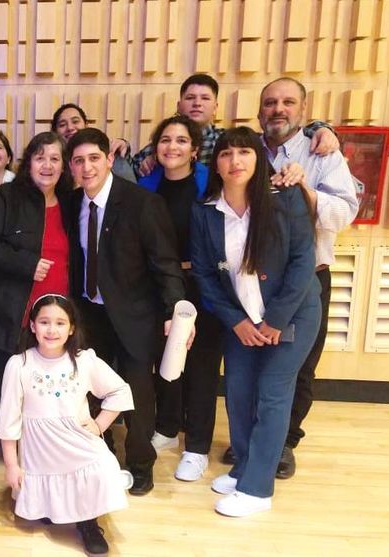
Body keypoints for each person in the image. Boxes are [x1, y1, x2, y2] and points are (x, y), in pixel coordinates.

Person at [190, 126, 321, 517]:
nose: (235, 161)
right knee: (239, 392)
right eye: (226, 153)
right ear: (216, 164)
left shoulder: (286, 198)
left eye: (244, 152)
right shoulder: (205, 210)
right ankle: (244, 467)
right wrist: (236, 322)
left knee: (271, 394)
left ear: (258, 159)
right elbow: (205, 275)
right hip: (241, 319)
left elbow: (303, 262)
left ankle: (258, 489)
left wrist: (275, 320)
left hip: (292, 314)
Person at [66, 127, 189, 495]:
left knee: (136, 392)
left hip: (135, 314)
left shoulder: (142, 203)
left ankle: (140, 464)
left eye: (93, 158)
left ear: (109, 160)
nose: (87, 167)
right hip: (89, 314)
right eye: (78, 161)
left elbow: (165, 263)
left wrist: (174, 310)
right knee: (90, 390)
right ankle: (100, 457)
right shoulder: (72, 203)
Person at [254, 77, 358, 478]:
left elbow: (343, 213)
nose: (278, 109)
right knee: (256, 362)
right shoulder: (248, 151)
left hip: (307, 278)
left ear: (303, 109)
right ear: (259, 111)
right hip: (257, 281)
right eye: (270, 102)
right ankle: (258, 436)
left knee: (297, 366)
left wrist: (304, 190)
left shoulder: (322, 153)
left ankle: (283, 442)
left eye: (287, 102)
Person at [0, 294, 133, 555]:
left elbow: (120, 391)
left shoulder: (84, 361)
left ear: (71, 329)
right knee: (45, 495)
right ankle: (48, 506)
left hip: (77, 443)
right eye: (44, 322)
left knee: (101, 467)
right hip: (40, 450)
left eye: (60, 323)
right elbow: (8, 421)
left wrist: (99, 425)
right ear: (33, 326)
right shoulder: (19, 365)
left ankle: (88, 523)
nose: (52, 330)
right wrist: (11, 465)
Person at [136, 115, 224, 481]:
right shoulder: (146, 184)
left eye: (181, 140)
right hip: (159, 283)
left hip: (203, 284)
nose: (172, 146)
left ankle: (197, 448)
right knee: (165, 359)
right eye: (165, 140)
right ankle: (168, 427)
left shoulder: (211, 184)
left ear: (194, 149)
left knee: (201, 366)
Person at [0, 131, 71, 438]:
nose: (47, 165)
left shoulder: (72, 201)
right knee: (10, 379)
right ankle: (8, 435)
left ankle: (41, 435)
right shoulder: (7, 196)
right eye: (40, 158)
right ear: (28, 163)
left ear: (64, 165)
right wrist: (26, 263)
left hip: (59, 306)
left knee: (47, 380)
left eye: (54, 158)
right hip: (15, 304)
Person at [122, 73, 340, 178]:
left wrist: (320, 129)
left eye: (205, 98)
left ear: (215, 107)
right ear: (179, 106)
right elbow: (128, 172)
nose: (197, 103)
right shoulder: (163, 145)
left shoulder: (228, 140)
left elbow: (275, 132)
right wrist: (121, 146)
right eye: (190, 98)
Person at [50, 103, 138, 184]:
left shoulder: (108, 152)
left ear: (86, 125)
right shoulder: (52, 162)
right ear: (55, 131)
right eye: (62, 124)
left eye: (75, 121)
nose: (70, 127)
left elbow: (131, 190)